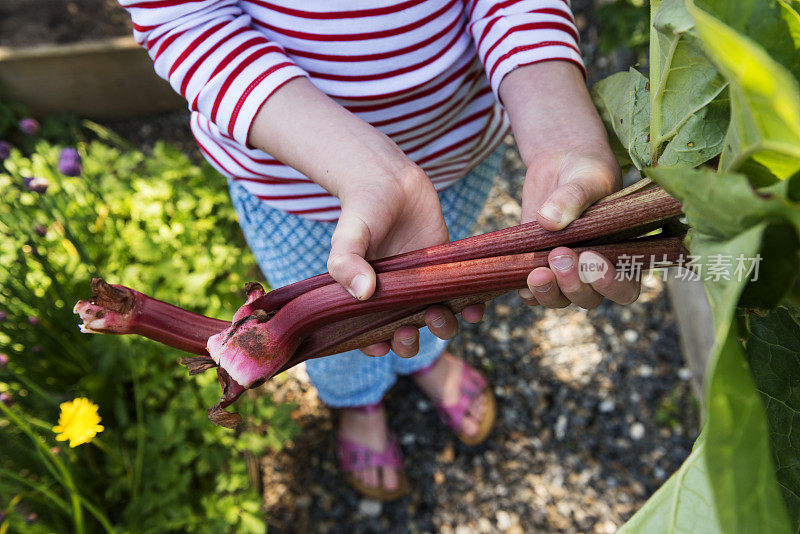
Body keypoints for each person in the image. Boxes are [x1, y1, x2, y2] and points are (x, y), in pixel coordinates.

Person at [120, 0, 640, 501]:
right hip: (293, 188)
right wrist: (359, 165)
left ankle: (425, 363)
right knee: (337, 326)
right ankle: (357, 400)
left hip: (454, 156)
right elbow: (185, 20)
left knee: (432, 306)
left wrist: (561, 135)